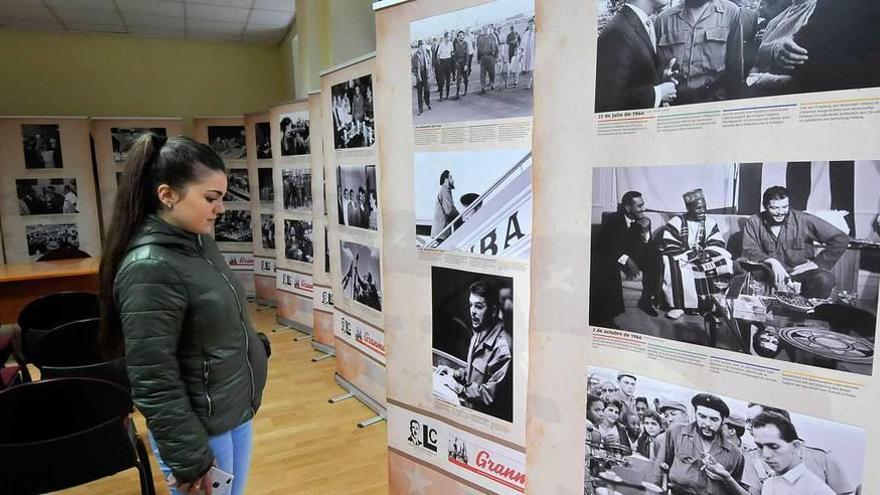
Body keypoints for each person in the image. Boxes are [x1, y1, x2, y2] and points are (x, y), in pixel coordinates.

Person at [98, 134, 269, 495]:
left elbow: (213, 318)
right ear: (167, 195)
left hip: (232, 408)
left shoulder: (200, 244)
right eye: (211, 198)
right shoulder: (150, 267)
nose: (220, 208)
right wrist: (189, 456)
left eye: (221, 197)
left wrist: (248, 345)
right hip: (199, 427)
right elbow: (153, 378)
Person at [741, 186, 850, 298]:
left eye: (785, 207)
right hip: (768, 274)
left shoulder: (803, 220)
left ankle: (808, 311)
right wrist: (772, 261)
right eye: (774, 208)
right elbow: (749, 250)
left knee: (825, 279)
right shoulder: (754, 222)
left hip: (799, 274)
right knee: (742, 270)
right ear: (765, 206)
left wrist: (816, 263)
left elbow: (841, 239)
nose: (780, 212)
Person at [744, 404, 855, 495]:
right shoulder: (751, 457)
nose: (748, 426)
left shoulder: (822, 457)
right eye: (747, 422)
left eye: (753, 421)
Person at [442, 280, 513, 421]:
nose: (473, 311)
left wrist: (459, 388)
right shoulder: (479, 333)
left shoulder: (502, 348)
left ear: (493, 311)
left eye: (479, 306)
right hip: (468, 411)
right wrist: (455, 373)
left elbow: (488, 395)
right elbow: (474, 374)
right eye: (471, 305)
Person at [659, 188, 733, 319]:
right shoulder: (676, 222)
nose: (702, 211)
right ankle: (679, 306)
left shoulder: (710, 222)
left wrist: (707, 254)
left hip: (705, 257)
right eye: (698, 208)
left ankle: (713, 305)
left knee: (725, 261)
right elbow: (670, 244)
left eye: (704, 207)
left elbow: (717, 242)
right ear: (688, 208)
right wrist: (692, 255)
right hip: (683, 258)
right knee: (671, 263)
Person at [590, 190, 661, 326]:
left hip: (634, 254)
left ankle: (646, 301)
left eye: (643, 205)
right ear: (628, 208)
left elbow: (647, 248)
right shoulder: (612, 220)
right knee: (603, 265)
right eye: (639, 206)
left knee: (656, 256)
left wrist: (645, 232)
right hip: (614, 256)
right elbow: (606, 247)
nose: (643, 209)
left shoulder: (644, 221)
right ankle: (607, 314)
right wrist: (627, 260)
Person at [651, 393, 745, 494]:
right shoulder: (676, 433)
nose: (707, 424)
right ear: (695, 414)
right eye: (702, 416)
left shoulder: (735, 455)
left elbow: (735, 490)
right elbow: (659, 469)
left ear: (722, 421)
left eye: (714, 419)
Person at [654, 0, 744, 104]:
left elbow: (735, 69)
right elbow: (654, 73)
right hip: (675, 105)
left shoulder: (730, 13)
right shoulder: (663, 20)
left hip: (715, 104)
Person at [596, 0, 678, 112]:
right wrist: (658, 94)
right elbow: (608, 102)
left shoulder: (643, 23)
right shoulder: (618, 32)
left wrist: (660, 77)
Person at [746, 0, 818, 96]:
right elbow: (757, 63)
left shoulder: (817, 13)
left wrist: (776, 81)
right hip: (761, 90)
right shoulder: (775, 21)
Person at [751, 413, 835, 495]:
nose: (766, 455)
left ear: (795, 446)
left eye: (774, 446)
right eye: (760, 446)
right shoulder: (768, 484)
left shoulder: (817, 490)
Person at [431, 170, 459, 242]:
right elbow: (449, 210)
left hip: (440, 232)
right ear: (446, 179)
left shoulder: (445, 190)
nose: (453, 180)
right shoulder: (445, 189)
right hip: (442, 232)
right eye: (451, 177)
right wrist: (459, 216)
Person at [412, 40, 432, 115]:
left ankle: (428, 103)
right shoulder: (415, 55)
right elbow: (413, 68)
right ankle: (420, 109)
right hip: (419, 75)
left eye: (422, 45)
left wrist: (430, 72)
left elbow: (429, 63)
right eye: (420, 45)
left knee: (427, 90)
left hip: (425, 74)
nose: (421, 47)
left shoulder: (427, 53)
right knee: (419, 93)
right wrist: (416, 75)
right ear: (418, 46)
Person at [477, 25, 498, 94]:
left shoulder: (493, 37)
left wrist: (496, 57)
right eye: (484, 29)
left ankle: (492, 82)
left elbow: (496, 47)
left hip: (491, 57)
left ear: (489, 30)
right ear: (483, 30)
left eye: (487, 29)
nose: (485, 30)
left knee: (491, 72)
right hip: (483, 57)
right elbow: (479, 49)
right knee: (482, 73)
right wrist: (478, 58)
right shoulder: (480, 38)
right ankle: (483, 87)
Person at [452, 30, 470, 99]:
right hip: (458, 63)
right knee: (458, 79)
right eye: (459, 36)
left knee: (465, 78)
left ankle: (465, 90)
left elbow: (467, 55)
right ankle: (457, 93)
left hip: (464, 63)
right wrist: (456, 62)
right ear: (458, 37)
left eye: (462, 35)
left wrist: (466, 65)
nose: (461, 37)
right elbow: (454, 54)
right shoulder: (456, 44)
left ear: (464, 36)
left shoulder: (466, 44)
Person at [437, 32, 454, 101]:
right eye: (447, 37)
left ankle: (447, 95)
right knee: (441, 80)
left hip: (448, 61)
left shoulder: (451, 44)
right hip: (442, 62)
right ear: (444, 37)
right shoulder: (441, 45)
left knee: (448, 79)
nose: (448, 38)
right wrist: (439, 64)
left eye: (449, 37)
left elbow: (452, 53)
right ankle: (441, 96)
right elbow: (438, 55)